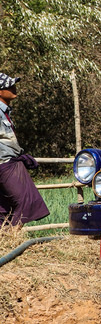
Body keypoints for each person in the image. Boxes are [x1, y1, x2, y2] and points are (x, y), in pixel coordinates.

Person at [0, 72, 49, 226]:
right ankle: (12, 237)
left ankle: (4, 241)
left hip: (8, 161)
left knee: (5, 207)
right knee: (27, 200)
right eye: (9, 86)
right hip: (6, 163)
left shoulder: (5, 111)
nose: (14, 88)